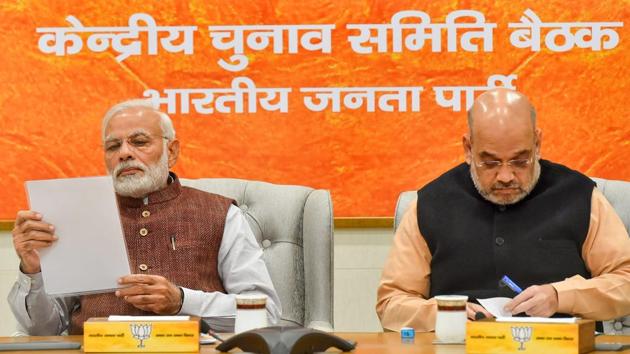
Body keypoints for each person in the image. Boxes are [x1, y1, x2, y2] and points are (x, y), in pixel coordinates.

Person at [8, 99, 281, 335]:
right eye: (113, 147)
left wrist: (183, 301)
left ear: (171, 151)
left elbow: (264, 312)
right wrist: (33, 270)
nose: (124, 153)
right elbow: (44, 330)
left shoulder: (220, 214)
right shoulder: (79, 217)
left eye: (139, 142)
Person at [376, 88, 630, 331]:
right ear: (468, 148)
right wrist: (443, 313)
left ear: (538, 144)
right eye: (490, 162)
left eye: (520, 161)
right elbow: (392, 304)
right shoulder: (431, 203)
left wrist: (560, 296)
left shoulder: (580, 196)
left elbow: (625, 280)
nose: (506, 176)